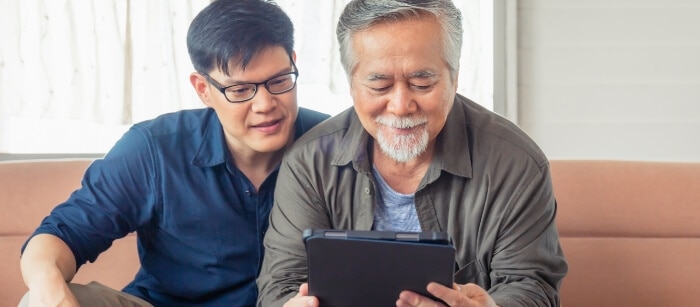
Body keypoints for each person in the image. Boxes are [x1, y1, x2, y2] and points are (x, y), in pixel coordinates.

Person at [256, 0, 567, 306]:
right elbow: (279, 286)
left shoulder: (516, 164)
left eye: (422, 82)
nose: (401, 106)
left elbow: (533, 287)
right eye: (379, 86)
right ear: (351, 84)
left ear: (455, 78)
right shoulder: (308, 163)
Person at [18, 0, 329, 306]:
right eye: (240, 90)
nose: (265, 104)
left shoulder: (331, 144)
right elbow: (60, 236)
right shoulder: (154, 149)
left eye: (279, 81)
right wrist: (49, 290)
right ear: (203, 89)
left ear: (293, 63)